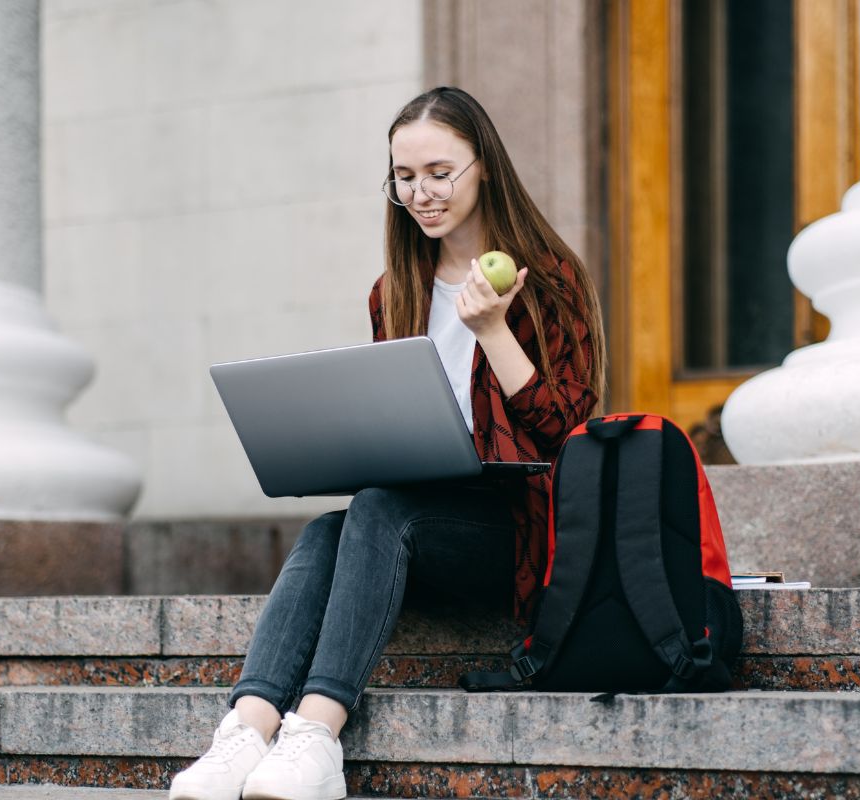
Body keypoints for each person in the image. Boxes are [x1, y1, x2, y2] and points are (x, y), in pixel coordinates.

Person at [169, 86, 606, 800]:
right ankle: (245, 732)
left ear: (484, 166)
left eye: (441, 173)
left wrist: (494, 330)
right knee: (326, 529)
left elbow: (566, 429)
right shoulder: (394, 288)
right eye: (405, 177)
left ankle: (315, 735)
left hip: (517, 532)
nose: (422, 193)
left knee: (376, 512)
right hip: (417, 519)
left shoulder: (547, 278)